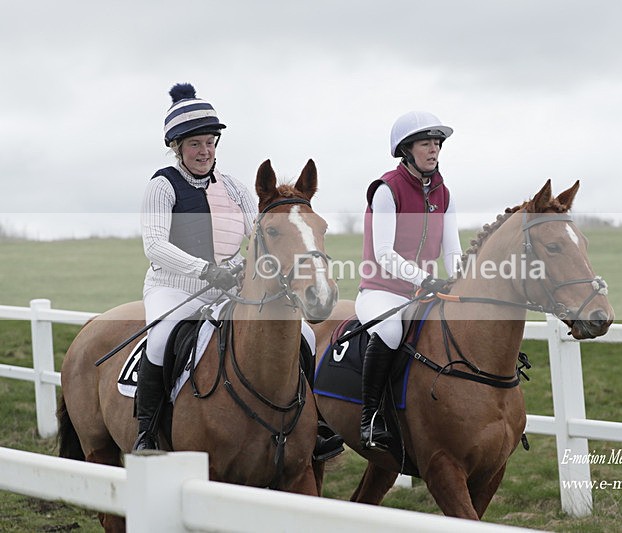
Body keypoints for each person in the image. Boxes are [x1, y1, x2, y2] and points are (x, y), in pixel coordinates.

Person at [135, 83, 341, 459]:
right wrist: (205, 270)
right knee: (163, 337)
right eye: (195, 143)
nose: (204, 151)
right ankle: (147, 431)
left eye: (210, 142)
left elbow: (259, 234)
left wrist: (239, 268)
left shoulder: (233, 188)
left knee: (307, 338)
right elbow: (154, 245)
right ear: (177, 147)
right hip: (173, 288)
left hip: (228, 290)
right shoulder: (162, 185)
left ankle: (317, 426)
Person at [355, 111, 463, 451]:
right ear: (406, 150)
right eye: (425, 143)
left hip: (421, 292)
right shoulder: (387, 190)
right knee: (389, 331)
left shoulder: (444, 194)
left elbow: (452, 252)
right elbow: (384, 253)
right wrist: (426, 279)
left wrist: (461, 280)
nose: (433, 150)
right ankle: (370, 418)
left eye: (437, 143)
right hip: (380, 291)